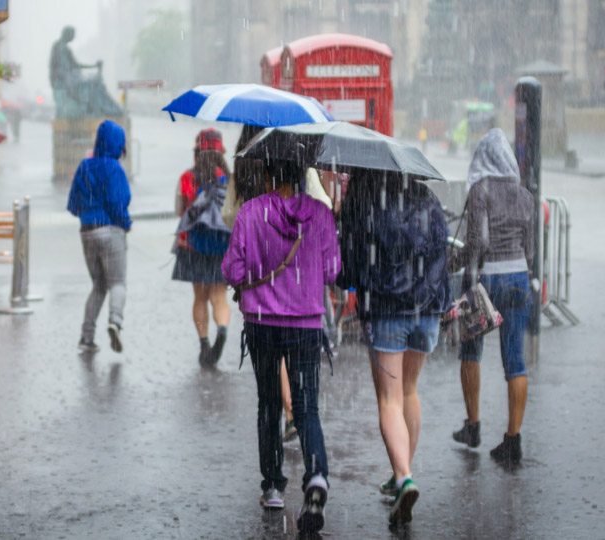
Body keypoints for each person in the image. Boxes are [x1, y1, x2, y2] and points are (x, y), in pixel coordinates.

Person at [222, 159, 340, 533]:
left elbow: (233, 271)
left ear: (271, 175)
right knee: (306, 409)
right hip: (306, 323)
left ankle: (273, 485)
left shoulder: (251, 212)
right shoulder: (320, 215)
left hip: (261, 324)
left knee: (270, 402)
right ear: (302, 176)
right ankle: (317, 474)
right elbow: (333, 270)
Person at [337, 169, 450, 525]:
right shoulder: (426, 198)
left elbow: (349, 264)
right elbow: (441, 247)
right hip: (426, 308)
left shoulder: (365, 201)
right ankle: (403, 472)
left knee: (389, 399)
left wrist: (348, 279)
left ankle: (403, 477)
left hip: (387, 309)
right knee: (410, 391)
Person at [449, 128, 534, 464]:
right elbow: (530, 250)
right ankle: (512, 441)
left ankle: (473, 425)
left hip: (485, 281)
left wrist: (450, 263)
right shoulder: (524, 195)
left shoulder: (479, 190)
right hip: (518, 280)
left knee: (471, 351)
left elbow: (477, 244)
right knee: (515, 361)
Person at [67, 119, 131, 353]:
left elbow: (73, 204)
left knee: (98, 285)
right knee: (117, 283)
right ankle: (115, 321)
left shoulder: (84, 166)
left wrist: (88, 215)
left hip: (87, 232)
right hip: (110, 230)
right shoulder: (114, 168)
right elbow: (117, 203)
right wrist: (126, 223)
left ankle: (86, 337)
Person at [172, 128, 232, 366]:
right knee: (219, 297)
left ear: (198, 151)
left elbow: (180, 210)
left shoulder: (188, 177)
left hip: (193, 246)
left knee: (200, 297)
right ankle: (223, 330)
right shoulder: (229, 178)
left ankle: (205, 344)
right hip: (222, 245)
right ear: (221, 153)